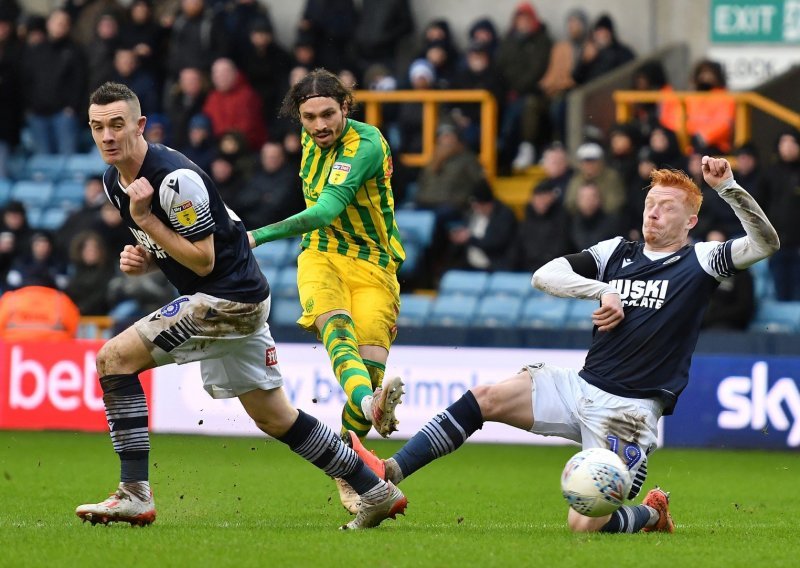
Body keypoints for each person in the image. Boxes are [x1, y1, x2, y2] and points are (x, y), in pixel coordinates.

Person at [350, 156, 780, 534]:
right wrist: (601, 291)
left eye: (668, 208)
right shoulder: (616, 252)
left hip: (627, 414)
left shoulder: (701, 261)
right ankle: (390, 473)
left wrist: (728, 189)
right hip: (580, 387)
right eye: (651, 204)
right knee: (485, 398)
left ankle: (650, 515)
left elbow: (766, 243)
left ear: (690, 221)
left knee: (584, 525)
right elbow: (545, 274)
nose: (654, 213)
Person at [75, 82, 406, 530]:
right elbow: (181, 250)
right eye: (98, 127)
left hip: (226, 300)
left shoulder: (173, 181)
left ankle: (134, 494)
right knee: (276, 418)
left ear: (140, 126)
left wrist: (146, 221)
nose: (107, 136)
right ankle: (373, 487)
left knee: (113, 359)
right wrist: (146, 261)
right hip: (237, 294)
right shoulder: (114, 180)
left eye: (117, 125)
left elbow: (204, 258)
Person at [247, 69, 406, 514]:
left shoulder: (366, 145)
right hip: (320, 255)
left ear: (346, 108)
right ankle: (370, 404)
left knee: (371, 368)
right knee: (336, 329)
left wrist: (255, 236)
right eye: (309, 117)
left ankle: (343, 464)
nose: (319, 125)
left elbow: (327, 208)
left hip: (375, 264)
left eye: (327, 114)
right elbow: (320, 225)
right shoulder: (309, 142)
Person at [0, 273, 80, 341]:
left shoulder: (11, 298)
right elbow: (73, 328)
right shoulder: (61, 300)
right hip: (54, 350)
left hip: (13, 349)